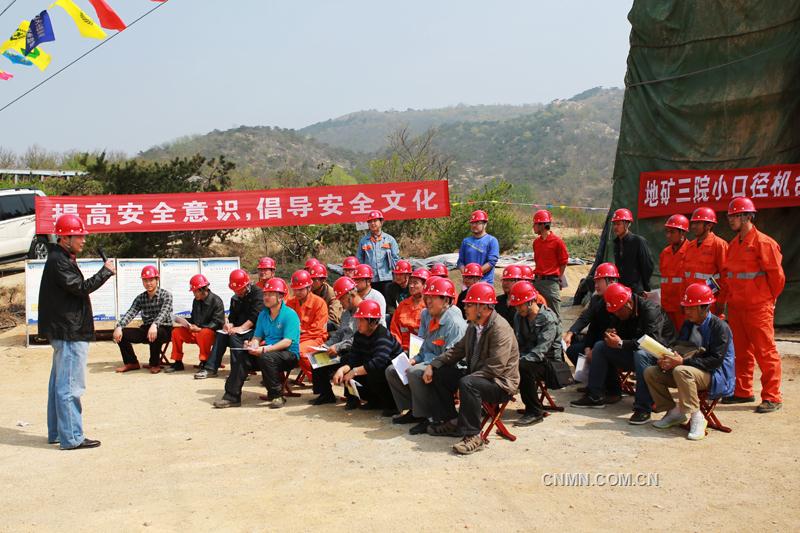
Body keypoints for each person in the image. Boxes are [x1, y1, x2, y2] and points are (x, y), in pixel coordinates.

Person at [40, 214, 115, 450]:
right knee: (70, 385)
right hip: (69, 330)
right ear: (65, 237)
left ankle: (57, 432)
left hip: (65, 328)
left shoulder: (60, 257)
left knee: (59, 383)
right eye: (79, 235)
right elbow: (80, 288)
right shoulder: (59, 261)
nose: (83, 240)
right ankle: (71, 437)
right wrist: (105, 272)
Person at [423, 282, 520, 455]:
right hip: (479, 376)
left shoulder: (500, 328)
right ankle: (453, 422)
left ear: (482, 307)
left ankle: (474, 435)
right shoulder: (474, 325)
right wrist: (433, 364)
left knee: (468, 383)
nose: (464, 307)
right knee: (441, 374)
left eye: (469, 304)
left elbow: (495, 368)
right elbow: (457, 350)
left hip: (500, 383)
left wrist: (467, 379)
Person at [570, 282, 676, 424]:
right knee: (600, 347)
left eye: (619, 311)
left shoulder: (650, 310)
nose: (616, 315)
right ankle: (596, 395)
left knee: (641, 354)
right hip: (632, 352)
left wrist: (620, 343)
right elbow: (610, 329)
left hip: (658, 355)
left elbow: (650, 343)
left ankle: (643, 408)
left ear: (629, 304)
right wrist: (611, 335)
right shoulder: (619, 311)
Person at [644, 283, 734, 440]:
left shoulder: (720, 327)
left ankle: (697, 417)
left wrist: (682, 363)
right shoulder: (688, 324)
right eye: (686, 307)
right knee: (651, 372)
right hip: (690, 370)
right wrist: (667, 358)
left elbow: (715, 361)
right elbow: (680, 348)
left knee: (681, 370)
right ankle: (674, 412)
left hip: (716, 375)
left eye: (691, 308)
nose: (687, 311)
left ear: (704, 308)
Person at [721, 197, 785, 413]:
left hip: (758, 308)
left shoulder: (764, 243)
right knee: (741, 352)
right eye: (729, 215)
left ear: (748, 216)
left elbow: (777, 278)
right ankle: (743, 391)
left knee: (765, 352)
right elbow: (730, 278)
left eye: (735, 215)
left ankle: (772, 396)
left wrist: (767, 300)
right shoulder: (733, 245)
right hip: (738, 307)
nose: (731, 219)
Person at [387, 276, 467, 434]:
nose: (428, 301)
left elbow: (450, 356)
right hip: (429, 359)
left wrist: (426, 364)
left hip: (447, 366)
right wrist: (414, 359)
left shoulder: (454, 323)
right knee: (392, 370)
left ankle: (428, 417)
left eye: (433, 298)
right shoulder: (426, 315)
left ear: (446, 301)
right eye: (427, 297)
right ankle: (413, 411)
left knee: (414, 372)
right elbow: (424, 346)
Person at [213, 277, 301, 409]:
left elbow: (287, 342)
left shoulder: (290, 314)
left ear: (280, 297)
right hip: (267, 352)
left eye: (270, 294)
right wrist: (253, 344)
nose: (266, 297)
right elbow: (257, 337)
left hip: (288, 355)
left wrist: (264, 350)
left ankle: (277, 395)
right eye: (265, 294)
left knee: (266, 357)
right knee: (241, 356)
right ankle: (232, 396)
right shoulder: (263, 315)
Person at [332, 300, 403, 416]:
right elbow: (353, 359)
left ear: (372, 322)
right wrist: (341, 370)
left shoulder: (382, 335)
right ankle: (369, 400)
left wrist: (354, 371)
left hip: (390, 377)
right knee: (346, 359)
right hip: (373, 371)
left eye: (361, 320)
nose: (358, 323)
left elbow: (379, 362)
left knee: (375, 370)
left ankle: (391, 405)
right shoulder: (359, 335)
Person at [509, 281, 563, 426]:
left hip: (551, 363)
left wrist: (517, 361)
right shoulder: (519, 316)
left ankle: (534, 411)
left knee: (523, 367)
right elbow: (518, 343)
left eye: (520, 304)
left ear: (531, 301)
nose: (518, 308)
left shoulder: (548, 319)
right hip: (529, 358)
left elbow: (541, 350)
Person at [195, 269, 263, 379]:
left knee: (235, 337)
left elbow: (256, 315)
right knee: (221, 335)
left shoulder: (258, 293)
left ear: (246, 284)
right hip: (240, 329)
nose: (237, 292)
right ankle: (210, 368)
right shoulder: (235, 297)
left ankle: (239, 371)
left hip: (256, 330)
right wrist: (229, 325)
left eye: (240, 290)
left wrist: (241, 328)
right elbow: (232, 317)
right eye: (235, 290)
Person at [308, 276, 360, 405]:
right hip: (342, 347)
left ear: (350, 295)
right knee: (317, 358)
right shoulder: (346, 313)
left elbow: (358, 338)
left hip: (357, 350)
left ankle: (352, 398)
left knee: (347, 359)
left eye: (341, 298)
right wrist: (326, 345)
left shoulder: (363, 311)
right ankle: (325, 394)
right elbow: (339, 333)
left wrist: (338, 347)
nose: (340, 303)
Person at [113, 265, 173, 374]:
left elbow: (164, 313)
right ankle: (131, 362)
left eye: (151, 280)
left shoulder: (166, 295)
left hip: (164, 329)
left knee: (156, 332)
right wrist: (119, 326)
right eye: (145, 280)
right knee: (122, 334)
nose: (148, 283)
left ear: (157, 280)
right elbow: (131, 312)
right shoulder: (140, 298)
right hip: (147, 329)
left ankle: (154, 364)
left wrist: (155, 324)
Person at [168, 274, 224, 373]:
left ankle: (205, 361)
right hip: (196, 331)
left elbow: (217, 322)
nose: (193, 294)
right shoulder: (196, 301)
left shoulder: (217, 301)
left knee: (204, 333)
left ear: (202, 290)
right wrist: (184, 322)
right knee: (176, 332)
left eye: (195, 291)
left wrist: (200, 329)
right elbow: (194, 318)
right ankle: (178, 361)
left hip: (210, 334)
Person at [681, 206, 727, 314]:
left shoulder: (719, 245)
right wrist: (683, 299)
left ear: (709, 225)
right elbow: (685, 277)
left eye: (697, 223)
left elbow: (726, 277)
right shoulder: (690, 246)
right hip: (691, 304)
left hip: (709, 304)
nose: (693, 226)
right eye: (693, 223)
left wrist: (721, 302)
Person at [285, 269, 329, 379]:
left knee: (300, 351)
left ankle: (319, 379)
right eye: (295, 290)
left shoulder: (319, 303)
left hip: (315, 338)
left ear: (309, 288)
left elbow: (318, 330)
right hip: (295, 338)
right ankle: (278, 382)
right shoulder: (290, 302)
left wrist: (298, 333)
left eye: (300, 289)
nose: (297, 292)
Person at [532, 210, 569, 319]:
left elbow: (563, 262)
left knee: (554, 315)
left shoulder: (557, 242)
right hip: (537, 281)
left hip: (551, 283)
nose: (533, 227)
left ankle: (557, 335)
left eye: (535, 224)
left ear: (542, 225)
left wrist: (558, 277)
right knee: (537, 313)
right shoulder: (536, 243)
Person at [356, 209, 400, 297]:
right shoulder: (363, 241)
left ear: (381, 222)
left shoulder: (390, 240)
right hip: (370, 281)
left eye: (375, 221)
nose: (373, 223)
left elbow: (396, 259)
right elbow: (359, 260)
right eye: (370, 221)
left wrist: (396, 277)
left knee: (388, 305)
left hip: (387, 279)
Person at [611, 208, 655, 295]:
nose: (615, 227)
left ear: (627, 224)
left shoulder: (638, 241)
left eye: (618, 224)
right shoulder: (616, 244)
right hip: (622, 289)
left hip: (636, 291)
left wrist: (644, 287)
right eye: (614, 224)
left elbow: (648, 266)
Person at [659, 214, 690, 330]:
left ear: (682, 233)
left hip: (683, 308)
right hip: (667, 307)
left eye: (672, 232)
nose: (668, 235)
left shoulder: (691, 251)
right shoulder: (665, 253)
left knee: (685, 341)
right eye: (667, 232)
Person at [456, 209, 500, 284]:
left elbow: (491, 262)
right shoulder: (466, 241)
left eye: (477, 223)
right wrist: (467, 276)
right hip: (467, 284)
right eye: (472, 223)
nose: (474, 225)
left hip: (485, 283)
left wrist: (474, 275)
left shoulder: (492, 240)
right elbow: (460, 262)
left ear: (485, 224)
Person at [389, 268, 428, 351]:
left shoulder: (429, 307)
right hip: (403, 350)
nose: (411, 286)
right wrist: (398, 350)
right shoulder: (403, 305)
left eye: (415, 283)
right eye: (410, 282)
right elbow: (394, 330)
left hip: (423, 352)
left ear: (425, 285)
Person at [309, 263, 343, 330]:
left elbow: (334, 318)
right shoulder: (308, 291)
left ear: (323, 280)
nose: (311, 282)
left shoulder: (332, 294)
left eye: (314, 280)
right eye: (310, 279)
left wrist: (315, 323)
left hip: (327, 325)